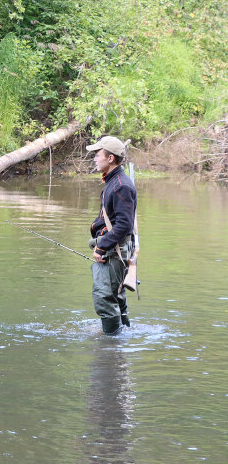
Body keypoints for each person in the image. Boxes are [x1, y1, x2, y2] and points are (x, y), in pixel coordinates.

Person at [87, 136, 137, 334]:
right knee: (116, 297)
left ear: (110, 158)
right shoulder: (114, 182)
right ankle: (121, 337)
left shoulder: (120, 185)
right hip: (115, 249)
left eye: (97, 155)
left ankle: (109, 344)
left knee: (105, 298)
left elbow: (124, 225)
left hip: (114, 251)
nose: (94, 159)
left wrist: (102, 246)